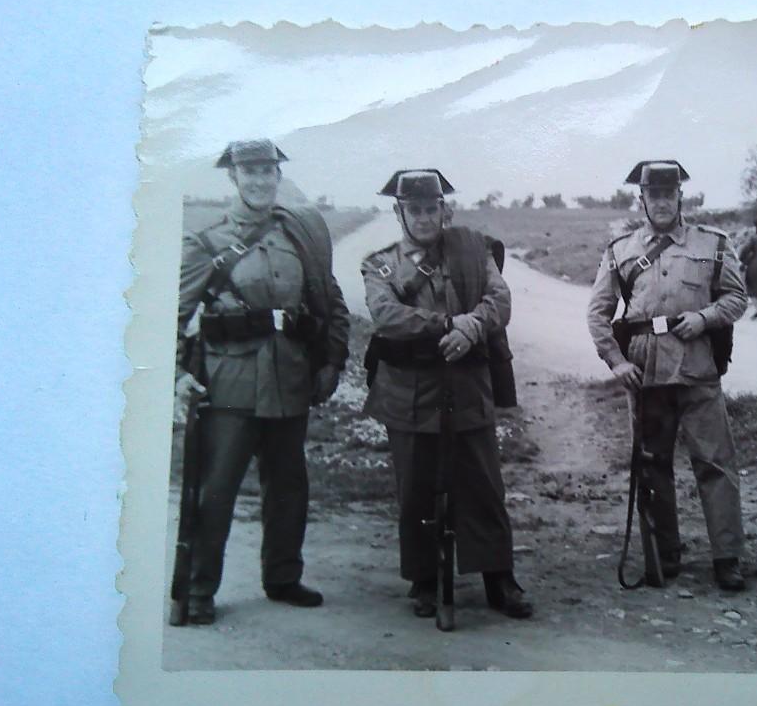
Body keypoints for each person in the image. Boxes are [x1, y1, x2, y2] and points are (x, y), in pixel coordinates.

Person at [174, 139, 350, 625]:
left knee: (289, 487)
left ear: (277, 176)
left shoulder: (299, 237)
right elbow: (173, 314)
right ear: (233, 177)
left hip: (289, 381)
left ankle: (283, 577)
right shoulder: (206, 243)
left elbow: (329, 301)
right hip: (229, 386)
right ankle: (198, 588)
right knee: (217, 491)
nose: (259, 180)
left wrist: (332, 359)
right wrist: (179, 374)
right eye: (248, 172)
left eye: (267, 171)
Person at [361, 169, 532, 620]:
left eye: (430, 208)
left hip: (467, 385)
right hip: (408, 391)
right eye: (412, 209)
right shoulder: (380, 264)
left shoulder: (475, 250)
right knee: (416, 486)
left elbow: (500, 300)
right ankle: (423, 579)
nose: (422, 217)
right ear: (399, 213)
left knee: (482, 484)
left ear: (444, 209)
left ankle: (498, 576)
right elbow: (386, 315)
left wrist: (472, 326)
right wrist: (444, 325)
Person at [586, 160, 749, 591]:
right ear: (641, 200)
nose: (661, 202)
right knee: (652, 465)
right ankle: (663, 554)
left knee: (715, 463)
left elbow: (737, 297)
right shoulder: (620, 249)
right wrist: (616, 361)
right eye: (652, 195)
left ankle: (727, 558)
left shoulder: (713, 243)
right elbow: (598, 313)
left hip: (697, 366)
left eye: (668, 194)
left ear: (681, 197)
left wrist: (705, 317)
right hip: (646, 371)